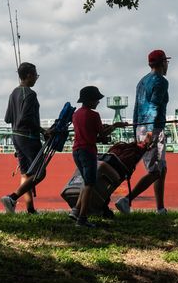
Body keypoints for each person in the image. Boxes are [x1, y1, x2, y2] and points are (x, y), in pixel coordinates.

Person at [114, 49, 171, 215]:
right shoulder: (160, 81)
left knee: (162, 168)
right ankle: (126, 200)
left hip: (141, 127)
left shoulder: (142, 81)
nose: (168, 65)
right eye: (166, 62)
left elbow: (137, 108)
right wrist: (151, 132)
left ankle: (160, 208)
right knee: (156, 170)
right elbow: (154, 106)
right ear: (162, 63)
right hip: (153, 129)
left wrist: (136, 131)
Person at [69, 86, 123, 227]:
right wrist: (115, 125)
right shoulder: (94, 115)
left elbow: (89, 134)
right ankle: (82, 219)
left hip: (76, 151)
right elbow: (103, 135)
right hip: (88, 152)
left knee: (85, 183)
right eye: (97, 99)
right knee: (89, 184)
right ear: (90, 100)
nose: (98, 102)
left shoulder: (76, 114)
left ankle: (76, 211)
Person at [0, 62, 49, 214]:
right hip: (29, 138)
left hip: (16, 138)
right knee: (40, 172)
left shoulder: (13, 93)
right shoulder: (30, 94)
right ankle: (12, 198)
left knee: (26, 173)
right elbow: (25, 119)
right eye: (35, 75)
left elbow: (8, 118)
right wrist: (42, 130)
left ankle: (30, 209)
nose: (36, 78)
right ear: (28, 75)